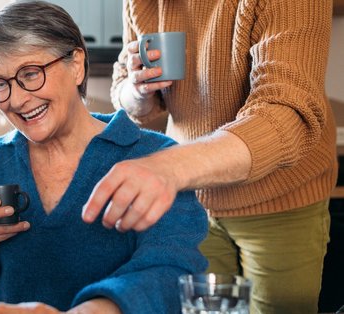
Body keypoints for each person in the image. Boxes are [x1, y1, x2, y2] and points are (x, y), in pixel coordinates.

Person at [0, 1, 208, 313]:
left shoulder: (154, 158)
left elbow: (172, 272)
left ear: (76, 64)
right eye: (1, 84)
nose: (17, 99)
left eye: (31, 73)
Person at [81, 1, 336, 313]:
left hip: (281, 197)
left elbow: (284, 112)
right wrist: (138, 92)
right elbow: (124, 83)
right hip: (193, 202)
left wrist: (172, 167)